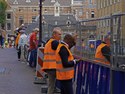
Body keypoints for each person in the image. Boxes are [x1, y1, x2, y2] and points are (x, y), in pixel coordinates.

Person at [42, 27, 62, 94]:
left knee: (51, 85)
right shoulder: (55, 42)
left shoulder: (48, 42)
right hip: (54, 66)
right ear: (54, 34)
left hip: (48, 67)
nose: (60, 36)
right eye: (59, 34)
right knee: (63, 84)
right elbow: (62, 51)